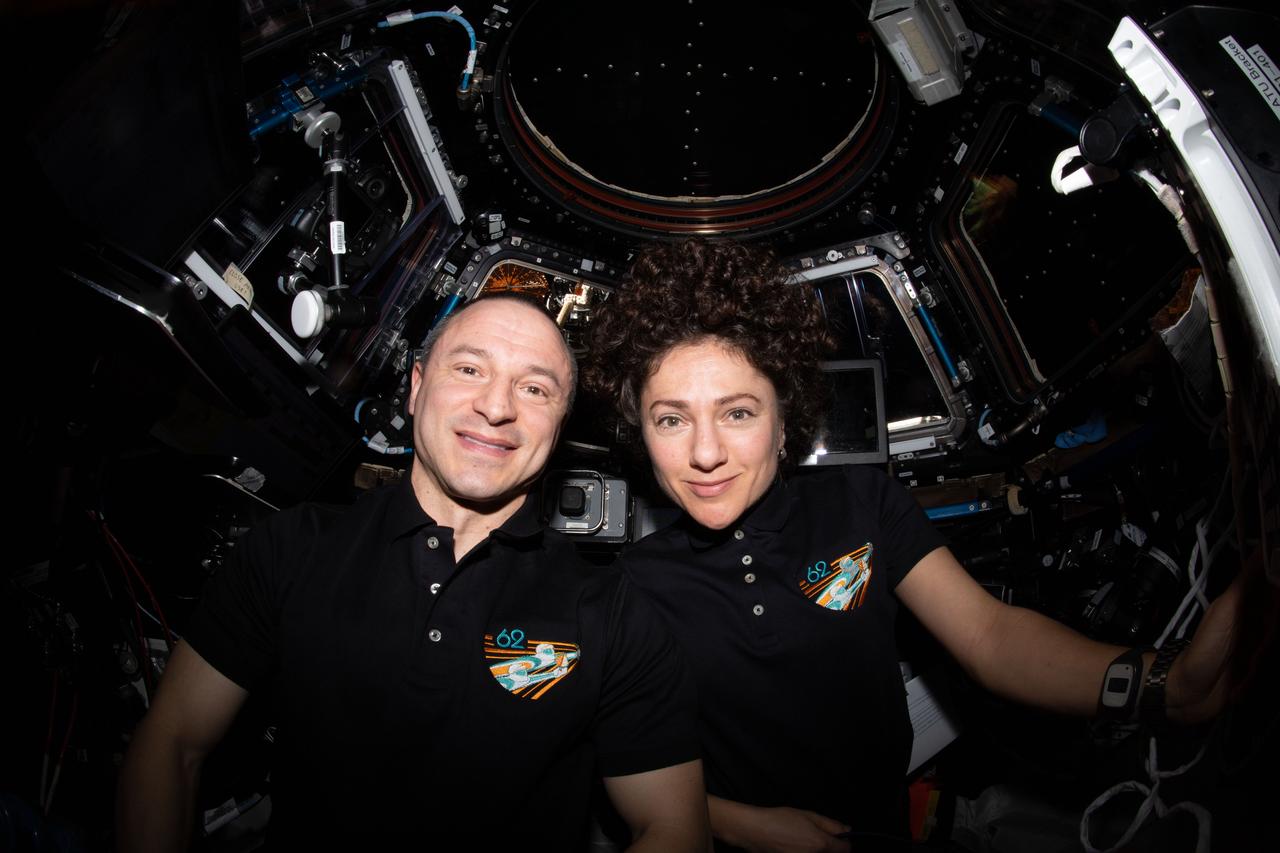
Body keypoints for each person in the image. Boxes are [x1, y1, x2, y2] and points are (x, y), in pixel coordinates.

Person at [583, 239, 1251, 853]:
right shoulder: (630, 588)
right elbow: (626, 778)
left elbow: (991, 636)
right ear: (640, 432)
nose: (704, 452)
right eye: (671, 418)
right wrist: (742, 824)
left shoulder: (863, 505)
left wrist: (1165, 683)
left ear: (784, 418)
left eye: (738, 412)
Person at [117, 295, 711, 851]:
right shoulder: (292, 547)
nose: (497, 407)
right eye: (470, 370)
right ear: (416, 387)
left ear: (558, 426)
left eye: (534, 388)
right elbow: (173, 743)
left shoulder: (611, 610)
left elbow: (674, 826)